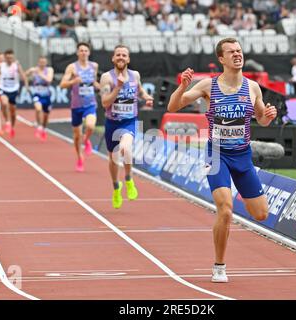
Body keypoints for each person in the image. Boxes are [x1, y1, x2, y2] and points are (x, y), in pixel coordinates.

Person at [167, 38, 277, 283]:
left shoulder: (253, 87)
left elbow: (261, 119)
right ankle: (219, 265)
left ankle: (240, 192)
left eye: (239, 50)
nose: (237, 54)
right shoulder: (209, 85)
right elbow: (174, 106)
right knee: (225, 210)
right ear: (221, 59)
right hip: (217, 155)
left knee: (261, 214)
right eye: (231, 52)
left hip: (243, 157)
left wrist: (269, 115)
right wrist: (182, 86)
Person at [99, 45, 154, 209]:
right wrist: (118, 87)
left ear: (128, 59)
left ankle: (129, 179)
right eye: (118, 55)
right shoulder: (106, 78)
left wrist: (146, 97)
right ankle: (116, 187)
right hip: (112, 123)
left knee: (125, 148)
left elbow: (140, 91)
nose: (121, 57)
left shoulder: (134, 75)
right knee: (113, 159)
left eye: (124, 55)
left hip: (129, 121)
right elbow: (104, 102)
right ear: (113, 58)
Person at [60, 42, 99, 172]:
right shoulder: (72, 67)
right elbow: (62, 84)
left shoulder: (94, 66)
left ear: (89, 52)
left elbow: (93, 83)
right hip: (76, 105)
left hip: (90, 103)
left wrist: (104, 89)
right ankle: (79, 158)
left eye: (85, 50)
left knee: (90, 126)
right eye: (81, 50)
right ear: (77, 53)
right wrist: (73, 81)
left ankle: (86, 139)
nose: (83, 52)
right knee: (76, 136)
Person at [0, 49, 29, 138]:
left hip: (13, 89)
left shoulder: (16, 65)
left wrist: (26, 85)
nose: (9, 59)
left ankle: (12, 126)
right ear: (5, 58)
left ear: (13, 57)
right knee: (4, 103)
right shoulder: (1, 65)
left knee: (13, 112)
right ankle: (7, 122)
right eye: (7, 58)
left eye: (11, 58)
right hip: (3, 88)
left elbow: (23, 75)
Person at [25, 56, 54, 141]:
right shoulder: (33, 70)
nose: (42, 64)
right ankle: (39, 126)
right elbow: (24, 75)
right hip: (36, 93)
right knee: (38, 108)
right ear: (38, 62)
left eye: (44, 62)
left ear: (46, 63)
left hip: (47, 95)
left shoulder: (49, 70)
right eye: (41, 62)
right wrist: (26, 85)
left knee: (46, 115)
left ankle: (44, 128)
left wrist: (40, 74)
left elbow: (49, 80)